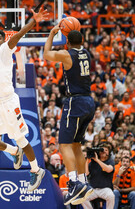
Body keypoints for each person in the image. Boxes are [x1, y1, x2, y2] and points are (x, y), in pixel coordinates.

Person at [0, 7, 48, 192]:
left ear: (4, 40)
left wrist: (33, 22)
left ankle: (36, 170)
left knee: (20, 138)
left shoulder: (5, 50)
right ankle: (13, 151)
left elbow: (17, 36)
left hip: (10, 102)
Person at [43, 27, 96, 205]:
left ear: (67, 42)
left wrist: (51, 34)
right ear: (81, 41)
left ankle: (73, 183)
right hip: (89, 102)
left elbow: (46, 54)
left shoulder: (67, 54)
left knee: (64, 144)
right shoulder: (86, 53)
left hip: (76, 102)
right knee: (76, 145)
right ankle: (83, 182)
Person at [82, 143, 115, 209]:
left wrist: (97, 160)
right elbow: (86, 173)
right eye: (102, 150)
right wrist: (86, 160)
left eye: (106, 150)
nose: (103, 151)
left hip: (105, 188)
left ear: (109, 153)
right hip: (93, 188)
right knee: (82, 197)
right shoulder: (93, 162)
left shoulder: (110, 161)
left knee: (111, 196)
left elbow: (108, 169)